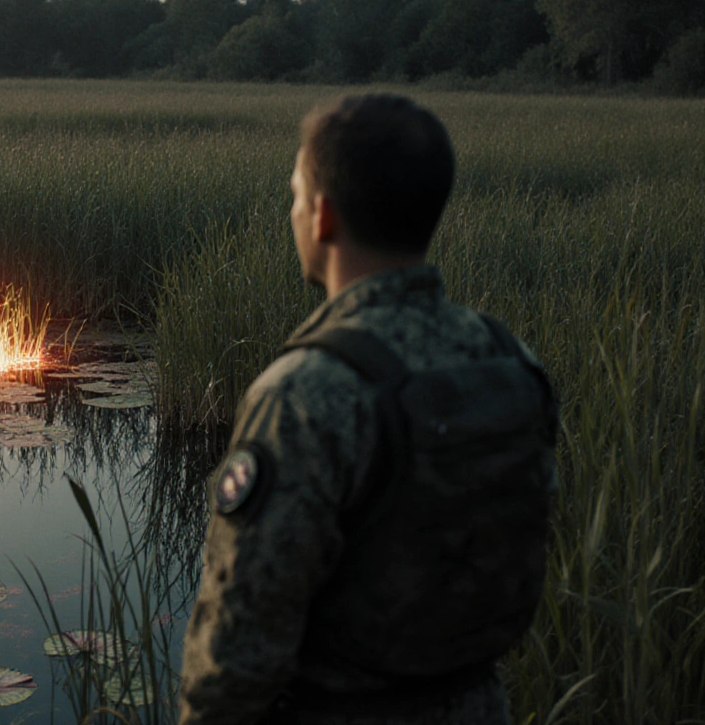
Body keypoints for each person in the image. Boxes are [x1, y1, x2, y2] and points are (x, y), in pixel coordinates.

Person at [179, 94, 557, 725]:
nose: (293, 211)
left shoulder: (306, 390)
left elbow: (236, 658)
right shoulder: (507, 356)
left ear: (323, 217)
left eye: (295, 195)